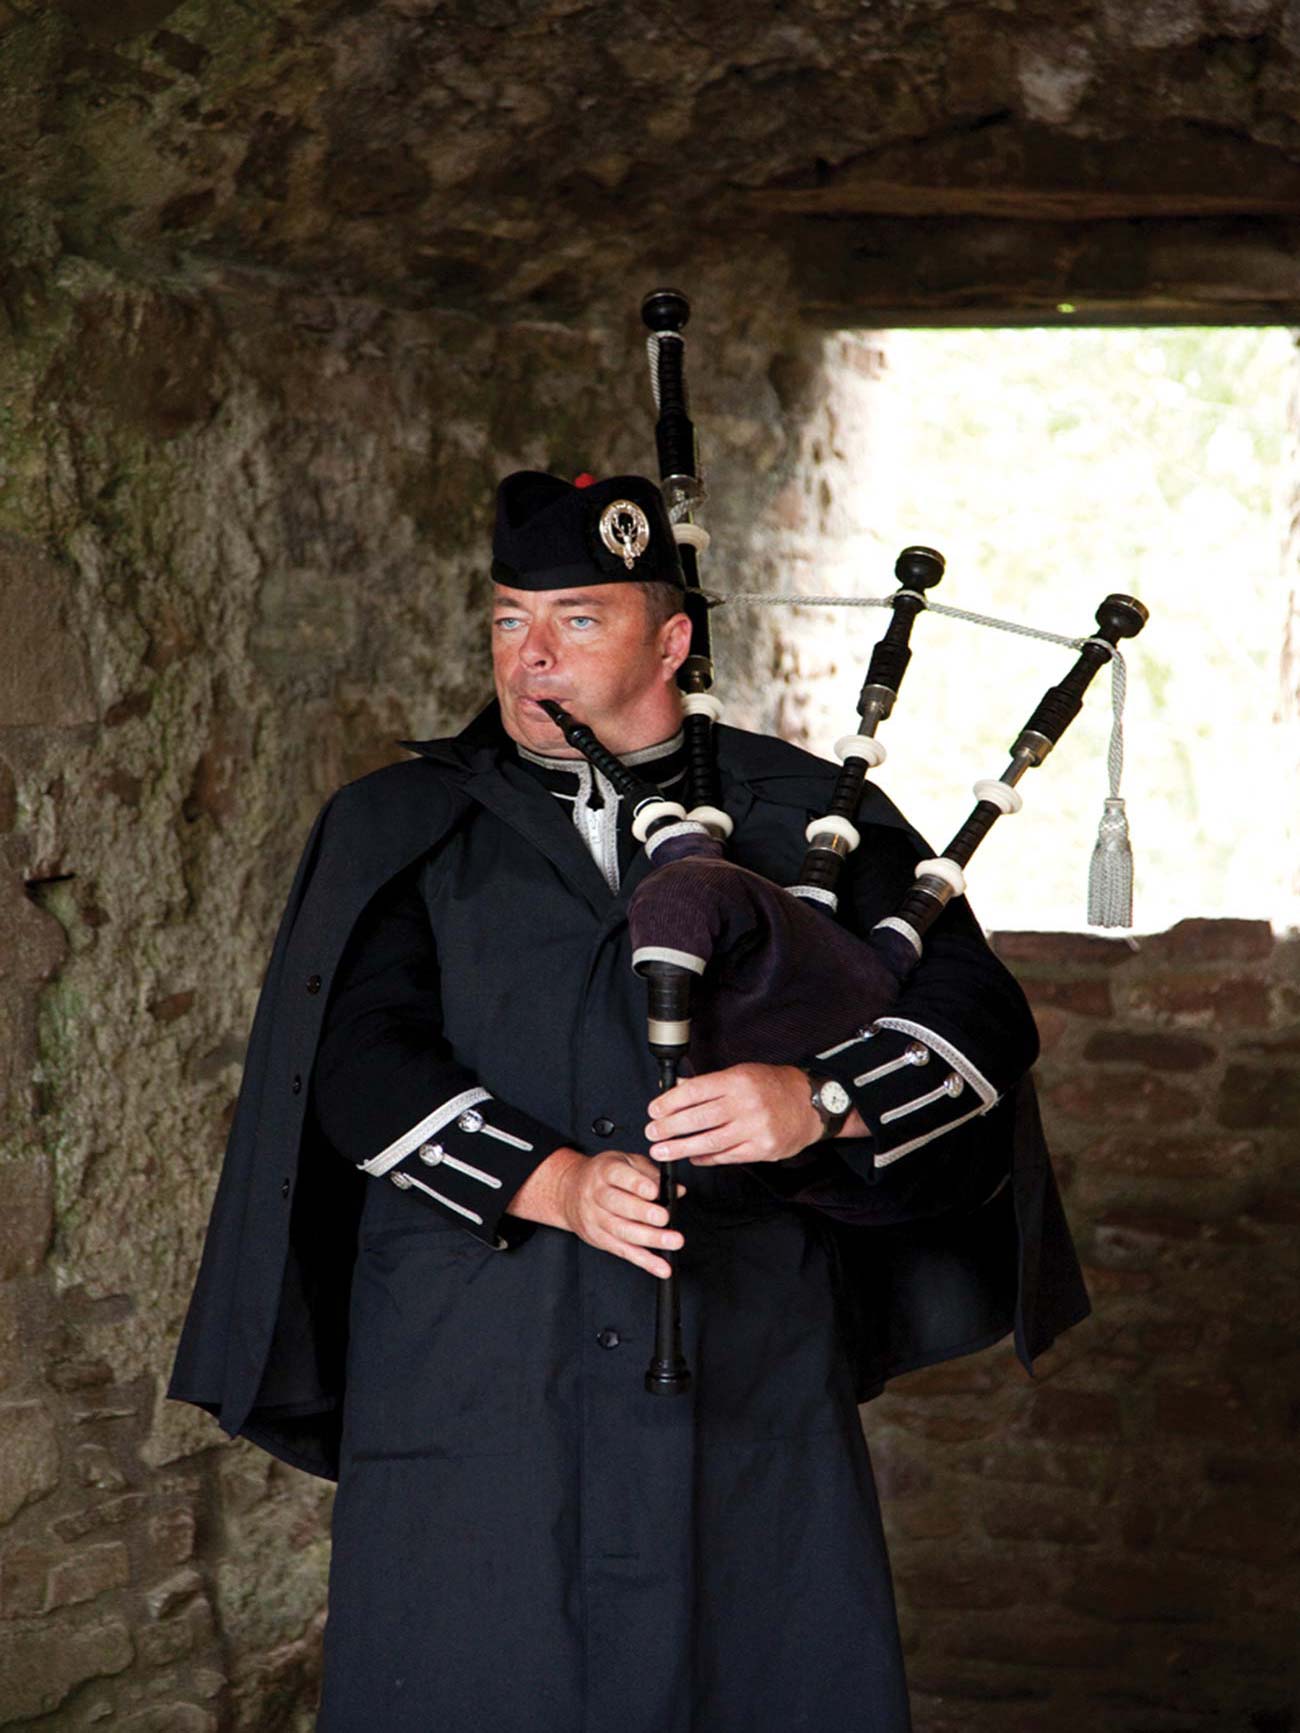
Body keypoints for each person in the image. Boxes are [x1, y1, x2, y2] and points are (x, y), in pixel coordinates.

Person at [168, 469, 1090, 1732]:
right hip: (476, 1350)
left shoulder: (809, 812)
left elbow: (973, 1010)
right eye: (506, 620)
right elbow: (353, 1055)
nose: (529, 655)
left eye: (576, 620)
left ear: (671, 638)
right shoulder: (402, 819)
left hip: (745, 1339)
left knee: (756, 1672)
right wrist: (547, 1181)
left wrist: (819, 1097)